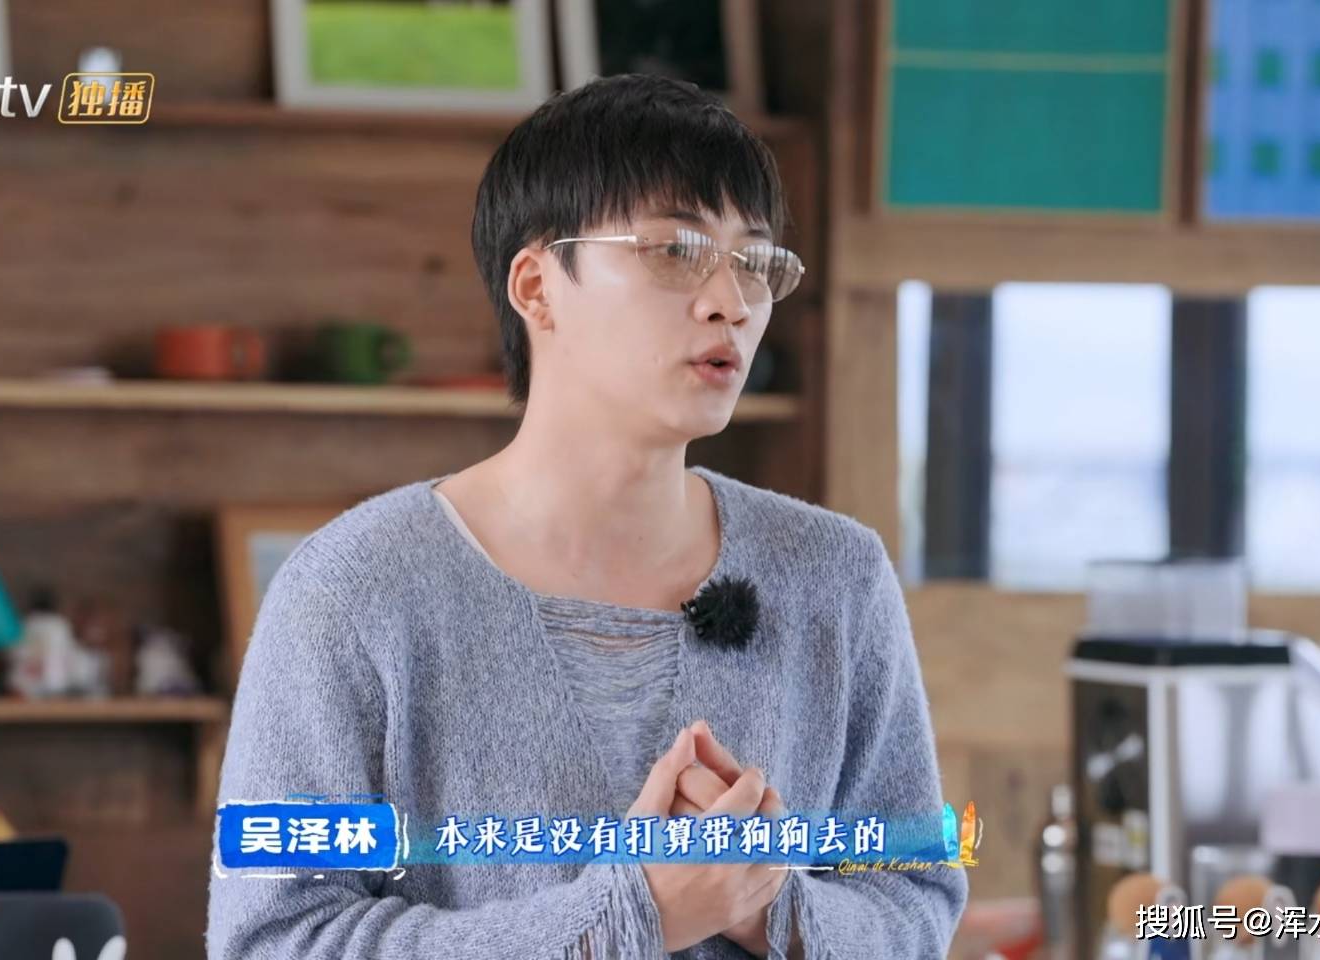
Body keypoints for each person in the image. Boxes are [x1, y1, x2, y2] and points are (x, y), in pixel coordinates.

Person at [207, 73, 967, 959]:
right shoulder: (354, 589)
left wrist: (767, 901)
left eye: (756, 262)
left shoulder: (835, 574)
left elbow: (914, 897)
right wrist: (633, 915)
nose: (732, 301)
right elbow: (277, 939)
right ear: (537, 287)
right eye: (676, 250)